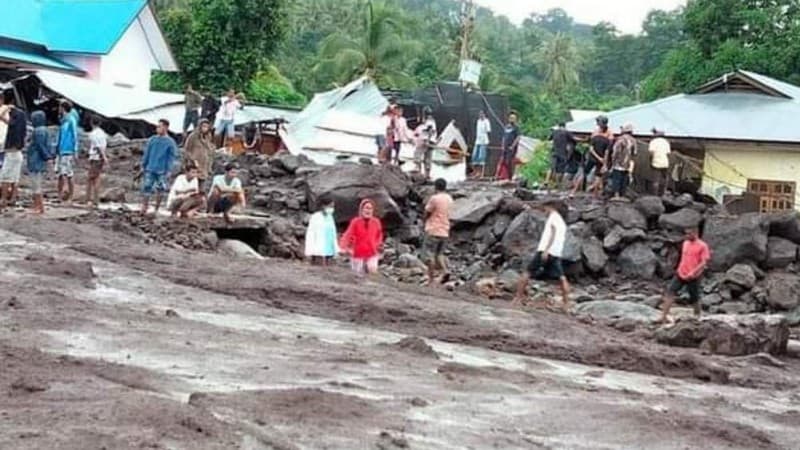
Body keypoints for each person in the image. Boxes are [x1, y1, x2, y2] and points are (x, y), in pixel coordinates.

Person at [513, 200, 571, 312]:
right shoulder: (562, 222)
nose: (544, 211)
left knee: (527, 272)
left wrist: (546, 250)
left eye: (545, 208)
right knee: (561, 277)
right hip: (557, 253)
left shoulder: (553, 217)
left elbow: (552, 233)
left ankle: (518, 297)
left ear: (551, 207)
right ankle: (566, 303)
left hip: (545, 250)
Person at [660, 227, 711, 323]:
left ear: (696, 233)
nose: (687, 236)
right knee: (670, 292)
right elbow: (683, 258)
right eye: (686, 234)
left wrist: (694, 272)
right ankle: (663, 316)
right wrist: (678, 269)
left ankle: (697, 317)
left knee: (694, 297)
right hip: (681, 273)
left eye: (689, 234)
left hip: (693, 276)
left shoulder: (703, 246)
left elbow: (704, 262)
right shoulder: (685, 243)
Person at [140, 119, 178, 215]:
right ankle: (144, 207)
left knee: (160, 189)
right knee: (147, 187)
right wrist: (143, 165)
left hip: (162, 170)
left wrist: (169, 170)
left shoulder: (170, 142)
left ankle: (156, 208)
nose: (157, 128)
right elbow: (147, 153)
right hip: (150, 168)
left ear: (165, 127)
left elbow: (171, 157)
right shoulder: (152, 139)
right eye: (157, 126)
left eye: (160, 126)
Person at [340, 198, 384, 276]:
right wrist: (344, 247)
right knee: (358, 276)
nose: (368, 210)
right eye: (366, 208)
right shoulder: (356, 221)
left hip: (372, 253)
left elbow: (379, 235)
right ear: (362, 209)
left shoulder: (376, 222)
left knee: (373, 273)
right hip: (358, 254)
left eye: (370, 208)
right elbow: (347, 235)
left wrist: (377, 245)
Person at [574, 115, 614, 198]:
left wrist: (602, 160)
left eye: (598, 122)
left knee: (591, 174)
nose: (597, 124)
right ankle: (593, 195)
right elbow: (606, 150)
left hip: (594, 157)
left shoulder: (602, 133)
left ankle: (574, 192)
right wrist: (603, 161)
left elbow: (593, 148)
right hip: (600, 158)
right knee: (597, 176)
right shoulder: (608, 134)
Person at [423, 178, 453, 284]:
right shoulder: (449, 199)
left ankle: (430, 279)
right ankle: (445, 270)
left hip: (433, 229)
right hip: (445, 230)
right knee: (440, 254)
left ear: (435, 187)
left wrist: (424, 221)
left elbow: (427, 211)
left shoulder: (434, 198)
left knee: (429, 254)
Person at [0, 91, 26, 212]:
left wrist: (6, 110)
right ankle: (13, 199)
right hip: (19, 152)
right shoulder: (22, 116)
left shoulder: (12, 118)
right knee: (15, 178)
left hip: (10, 152)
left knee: (5, 177)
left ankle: (3, 201)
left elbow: (4, 119)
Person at [27, 110, 51, 214]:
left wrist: (47, 157)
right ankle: (37, 206)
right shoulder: (44, 130)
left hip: (35, 159)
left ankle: (39, 207)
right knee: (37, 184)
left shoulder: (38, 131)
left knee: (36, 185)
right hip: (38, 160)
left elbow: (40, 146)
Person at [304, 196, 339, 266]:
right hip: (318, 252)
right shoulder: (315, 217)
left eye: (333, 207)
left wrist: (336, 249)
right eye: (330, 206)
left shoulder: (330, 217)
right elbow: (310, 234)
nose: (332, 209)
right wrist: (309, 250)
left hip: (330, 251)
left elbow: (333, 234)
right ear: (324, 206)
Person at [183, 118, 215, 192]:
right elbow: (187, 150)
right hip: (194, 166)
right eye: (203, 126)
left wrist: (210, 165)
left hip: (204, 167)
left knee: (202, 190)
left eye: (206, 126)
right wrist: (192, 159)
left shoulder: (208, 137)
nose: (205, 128)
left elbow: (209, 151)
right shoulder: (193, 136)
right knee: (191, 188)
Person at [57, 101, 79, 204]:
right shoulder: (63, 120)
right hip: (61, 150)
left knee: (69, 174)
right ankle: (60, 195)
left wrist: (75, 150)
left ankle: (71, 196)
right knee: (61, 173)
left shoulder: (71, 119)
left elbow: (74, 135)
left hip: (68, 150)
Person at [84, 116, 108, 208]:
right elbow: (103, 145)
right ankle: (95, 199)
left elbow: (98, 146)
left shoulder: (93, 134)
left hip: (95, 157)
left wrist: (103, 156)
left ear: (91, 123)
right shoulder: (102, 133)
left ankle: (89, 199)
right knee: (96, 178)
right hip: (99, 157)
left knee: (91, 178)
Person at [609, 123, 636, 199]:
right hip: (627, 164)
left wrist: (613, 161)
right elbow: (634, 153)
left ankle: (616, 195)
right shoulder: (633, 140)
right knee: (624, 180)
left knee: (617, 179)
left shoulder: (620, 139)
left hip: (618, 163)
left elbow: (615, 152)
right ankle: (622, 195)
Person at [548, 122, 577, 189]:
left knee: (551, 168)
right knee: (560, 170)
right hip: (562, 154)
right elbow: (574, 139)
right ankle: (558, 184)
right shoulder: (566, 132)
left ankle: (547, 182)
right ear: (564, 126)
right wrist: (585, 139)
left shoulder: (554, 132)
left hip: (554, 152)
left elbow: (549, 139)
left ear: (558, 126)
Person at [495, 112, 521, 181]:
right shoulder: (506, 127)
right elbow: (504, 137)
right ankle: (498, 176)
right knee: (503, 161)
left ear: (515, 119)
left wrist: (513, 146)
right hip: (505, 147)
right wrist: (502, 145)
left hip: (511, 148)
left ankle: (510, 177)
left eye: (513, 118)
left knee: (509, 162)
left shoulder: (516, 128)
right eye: (511, 118)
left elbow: (518, 137)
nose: (512, 119)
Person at [414, 108, 438, 178]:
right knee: (428, 158)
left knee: (417, 154)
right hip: (431, 141)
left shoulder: (429, 121)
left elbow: (429, 131)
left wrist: (426, 140)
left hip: (426, 141)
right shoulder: (432, 121)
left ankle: (418, 170)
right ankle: (427, 174)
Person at [649, 128, 671, 196]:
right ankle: (663, 193)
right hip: (665, 163)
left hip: (656, 162)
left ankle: (655, 195)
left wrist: (650, 161)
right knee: (665, 179)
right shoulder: (666, 142)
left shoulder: (653, 142)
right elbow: (668, 154)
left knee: (656, 180)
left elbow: (651, 153)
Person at [471, 110, 492, 178]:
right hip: (477, 141)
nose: (481, 115)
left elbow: (488, 131)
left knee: (481, 157)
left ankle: (481, 174)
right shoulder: (478, 121)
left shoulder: (486, 121)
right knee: (474, 156)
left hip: (484, 141)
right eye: (480, 114)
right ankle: (476, 172)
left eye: (482, 114)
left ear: (484, 115)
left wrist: (488, 141)